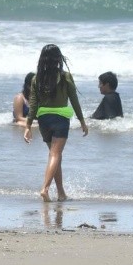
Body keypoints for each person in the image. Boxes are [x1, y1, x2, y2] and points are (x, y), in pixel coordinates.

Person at [24, 44, 88, 202]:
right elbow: (74, 100)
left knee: (56, 156)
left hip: (44, 120)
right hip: (60, 120)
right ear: (59, 58)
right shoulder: (65, 77)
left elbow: (33, 104)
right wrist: (82, 121)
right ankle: (45, 189)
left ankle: (61, 193)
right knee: (55, 154)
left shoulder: (36, 78)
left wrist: (28, 126)